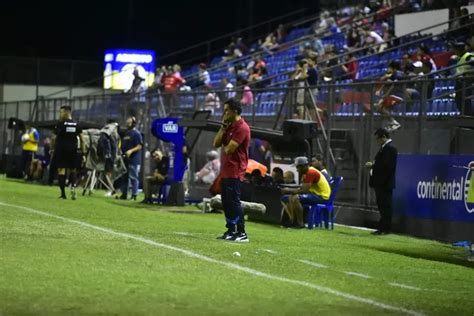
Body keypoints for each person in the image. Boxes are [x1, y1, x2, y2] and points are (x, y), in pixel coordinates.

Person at [213, 98, 251, 242]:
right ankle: (231, 229)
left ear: (234, 111)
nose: (224, 113)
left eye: (226, 110)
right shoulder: (228, 126)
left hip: (236, 170)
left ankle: (241, 232)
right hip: (226, 170)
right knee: (226, 201)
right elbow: (216, 143)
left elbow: (229, 149)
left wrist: (226, 135)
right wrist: (222, 128)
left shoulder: (242, 128)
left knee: (234, 201)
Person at [281, 156, 331, 228]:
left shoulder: (311, 172)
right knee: (292, 196)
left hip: (322, 197)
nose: (297, 170)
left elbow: (304, 190)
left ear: (303, 166)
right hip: (316, 195)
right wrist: (290, 190)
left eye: (298, 167)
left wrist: (287, 190)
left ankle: (300, 223)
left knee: (296, 198)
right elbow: (302, 187)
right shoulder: (307, 173)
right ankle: (293, 221)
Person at [365, 128, 397, 235]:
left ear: (383, 137)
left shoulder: (390, 149)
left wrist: (373, 165)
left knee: (385, 206)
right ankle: (383, 227)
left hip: (384, 183)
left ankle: (385, 228)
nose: (377, 141)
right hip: (380, 183)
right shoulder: (384, 148)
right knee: (382, 206)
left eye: (378, 139)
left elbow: (386, 166)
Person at [52, 105, 85, 200]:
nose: (60, 114)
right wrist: (83, 153)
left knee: (61, 170)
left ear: (67, 112)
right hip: (73, 151)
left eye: (61, 112)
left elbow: (54, 137)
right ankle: (73, 188)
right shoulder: (77, 124)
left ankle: (63, 194)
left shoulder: (60, 124)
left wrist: (52, 148)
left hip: (61, 150)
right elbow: (82, 140)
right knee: (73, 169)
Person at [118, 116, 143, 200]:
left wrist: (131, 151)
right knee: (124, 177)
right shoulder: (126, 133)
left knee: (133, 177)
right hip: (125, 159)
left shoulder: (136, 133)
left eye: (129, 122)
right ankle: (124, 194)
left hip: (134, 159)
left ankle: (134, 195)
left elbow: (139, 146)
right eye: (127, 122)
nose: (127, 124)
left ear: (133, 123)